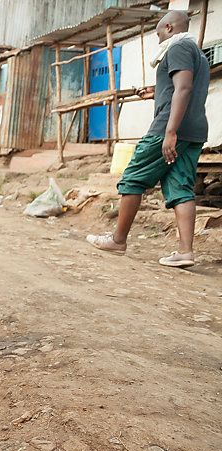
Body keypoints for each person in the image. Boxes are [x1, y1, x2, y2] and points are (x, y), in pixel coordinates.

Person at [86, 11, 209, 268]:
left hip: (169, 128)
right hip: (195, 130)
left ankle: (118, 240)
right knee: (181, 187)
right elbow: (182, 89)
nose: (158, 39)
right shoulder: (198, 53)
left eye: (158, 34)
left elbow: (184, 88)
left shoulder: (178, 47)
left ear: (168, 27)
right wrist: (157, 93)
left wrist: (170, 132)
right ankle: (185, 252)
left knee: (133, 178)